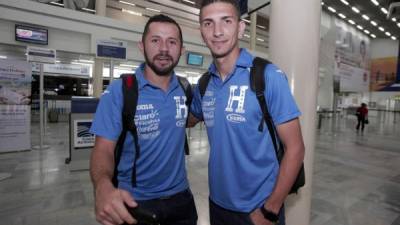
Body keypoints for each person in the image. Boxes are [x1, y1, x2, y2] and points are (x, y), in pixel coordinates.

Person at [188, 1, 305, 225]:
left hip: (259, 208)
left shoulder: (267, 76)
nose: (217, 31)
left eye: (227, 21)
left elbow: (296, 148)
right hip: (217, 205)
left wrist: (270, 210)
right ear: (201, 32)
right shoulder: (205, 85)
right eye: (208, 23)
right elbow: (189, 118)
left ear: (240, 28)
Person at [89, 14, 197, 225]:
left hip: (182, 200)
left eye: (172, 42)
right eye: (155, 40)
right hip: (135, 202)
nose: (164, 49)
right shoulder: (121, 91)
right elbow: (103, 149)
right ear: (142, 46)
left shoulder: (185, 90)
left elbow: (189, 119)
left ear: (181, 51)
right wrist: (102, 186)